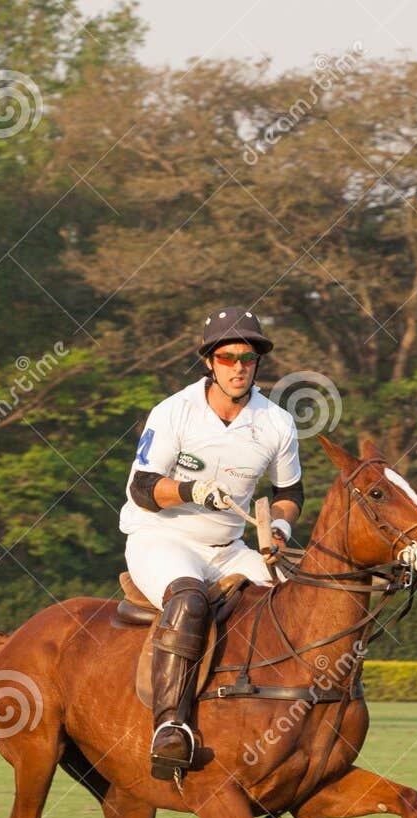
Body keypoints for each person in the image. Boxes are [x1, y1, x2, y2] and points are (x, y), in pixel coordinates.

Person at [120, 307, 303, 780]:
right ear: (209, 361)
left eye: (247, 357)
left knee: (300, 595)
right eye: (227, 357)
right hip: (163, 537)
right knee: (188, 598)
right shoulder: (174, 411)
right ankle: (170, 726)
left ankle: (297, 715)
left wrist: (277, 531)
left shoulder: (277, 423)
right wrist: (190, 491)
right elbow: (142, 488)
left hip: (230, 547)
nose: (238, 366)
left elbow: (288, 494)